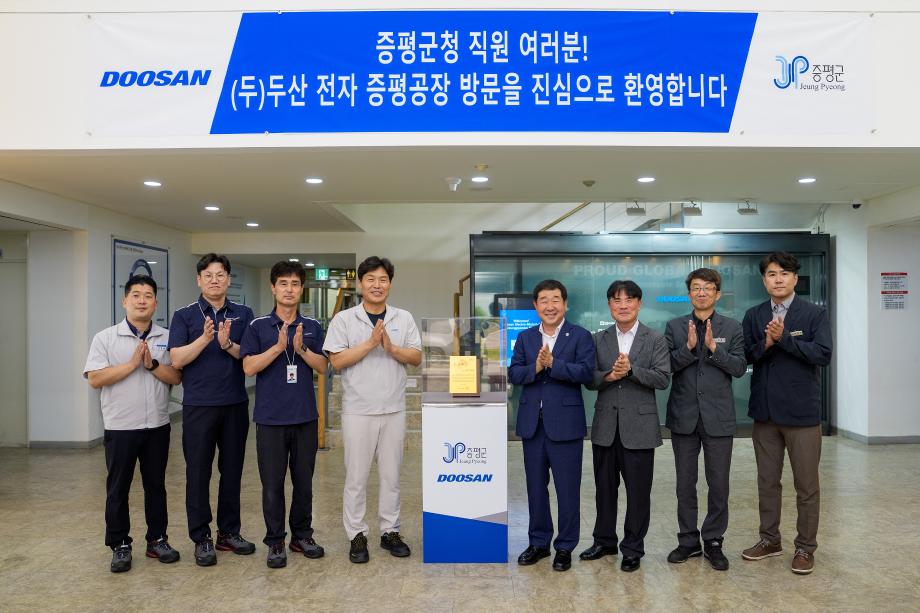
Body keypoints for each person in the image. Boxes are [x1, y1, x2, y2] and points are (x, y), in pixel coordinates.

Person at [323, 256, 421, 564]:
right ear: (360, 283)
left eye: (383, 280)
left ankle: (390, 531)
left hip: (394, 409)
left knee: (391, 477)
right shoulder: (344, 319)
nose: (377, 285)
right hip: (358, 410)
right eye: (371, 279)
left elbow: (416, 357)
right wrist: (370, 343)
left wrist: (391, 348)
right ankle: (357, 534)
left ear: (390, 283)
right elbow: (336, 361)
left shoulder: (403, 317)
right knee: (356, 477)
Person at [741, 252, 832, 575]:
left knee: (806, 485)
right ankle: (770, 540)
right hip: (765, 414)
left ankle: (805, 547)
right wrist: (766, 343)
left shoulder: (814, 314)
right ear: (764, 280)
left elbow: (822, 354)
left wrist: (784, 341)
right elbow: (745, 355)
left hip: (801, 414)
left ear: (795, 278)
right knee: (767, 482)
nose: (777, 279)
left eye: (783, 273)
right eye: (771, 274)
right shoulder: (754, 315)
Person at [84, 275, 182, 573]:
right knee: (118, 488)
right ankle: (120, 545)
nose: (142, 300)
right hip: (120, 427)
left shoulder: (166, 336)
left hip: (157, 426)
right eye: (136, 295)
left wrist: (151, 365)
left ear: (155, 303)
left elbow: (176, 377)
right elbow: (95, 378)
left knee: (156, 486)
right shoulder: (105, 338)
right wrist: (131, 364)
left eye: (148, 295)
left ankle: (157, 540)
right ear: (124, 301)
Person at [168, 254, 255, 566]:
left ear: (228, 279)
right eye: (208, 275)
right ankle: (201, 537)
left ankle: (228, 532)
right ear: (199, 280)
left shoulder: (244, 314)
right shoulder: (184, 316)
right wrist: (205, 339)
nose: (215, 280)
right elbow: (177, 359)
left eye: (220, 275)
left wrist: (228, 344)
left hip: (234, 405)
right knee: (198, 472)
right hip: (198, 407)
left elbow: (249, 359)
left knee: (232, 472)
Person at [240, 261, 328, 569]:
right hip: (270, 419)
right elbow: (248, 367)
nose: (289, 289)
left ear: (302, 289)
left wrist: (301, 349)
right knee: (272, 484)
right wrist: (278, 348)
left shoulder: (312, 326)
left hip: (305, 417)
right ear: (273, 287)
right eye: (283, 283)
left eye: (295, 284)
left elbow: (323, 366)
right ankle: (275, 540)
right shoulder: (258, 326)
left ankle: (302, 535)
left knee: (304, 482)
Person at [580, 280, 670, 572]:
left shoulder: (654, 338)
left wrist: (631, 371)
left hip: (640, 427)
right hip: (606, 426)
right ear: (609, 305)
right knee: (604, 490)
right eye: (616, 300)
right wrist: (610, 375)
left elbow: (662, 378)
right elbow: (589, 379)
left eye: (629, 300)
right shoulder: (598, 338)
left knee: (638, 492)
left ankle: (633, 548)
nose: (623, 305)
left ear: (639, 303)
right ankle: (604, 541)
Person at [508, 280, 594, 572]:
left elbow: (586, 373)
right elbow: (514, 373)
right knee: (535, 488)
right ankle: (539, 542)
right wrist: (535, 367)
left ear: (565, 304)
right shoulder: (525, 337)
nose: (550, 306)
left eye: (555, 299)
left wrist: (553, 364)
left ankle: (565, 546)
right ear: (535, 306)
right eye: (543, 300)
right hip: (533, 425)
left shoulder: (580, 335)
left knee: (567, 489)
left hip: (566, 425)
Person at [664, 268, 746, 571]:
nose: (701, 292)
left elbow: (739, 368)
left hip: (718, 417)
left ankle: (713, 540)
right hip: (684, 416)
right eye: (696, 288)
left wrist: (713, 348)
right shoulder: (674, 326)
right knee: (685, 484)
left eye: (708, 288)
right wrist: (687, 349)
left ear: (717, 294)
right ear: (689, 294)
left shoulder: (732, 327)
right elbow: (666, 366)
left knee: (718, 484)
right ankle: (688, 541)